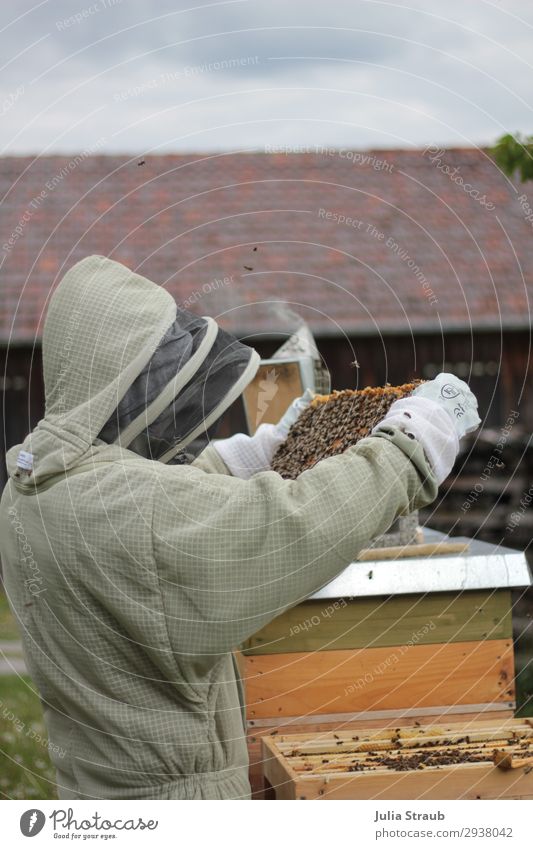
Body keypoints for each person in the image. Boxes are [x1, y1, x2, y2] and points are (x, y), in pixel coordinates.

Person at [0, 255, 480, 800]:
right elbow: (294, 524)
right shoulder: (127, 514)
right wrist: (414, 443)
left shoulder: (33, 486)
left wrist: (248, 457)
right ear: (116, 380)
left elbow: (144, 509)